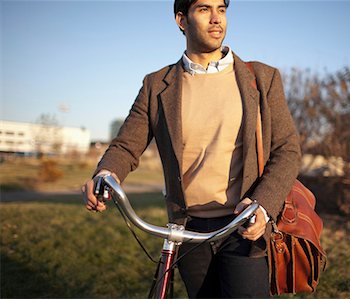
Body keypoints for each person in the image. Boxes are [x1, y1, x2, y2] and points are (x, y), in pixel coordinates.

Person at [81, 0, 301, 297]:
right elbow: (125, 145)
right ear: (181, 20)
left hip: (244, 227)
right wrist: (105, 173)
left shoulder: (262, 78)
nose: (216, 19)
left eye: (221, 10)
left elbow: (287, 149)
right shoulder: (156, 85)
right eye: (204, 9)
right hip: (187, 230)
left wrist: (262, 205)